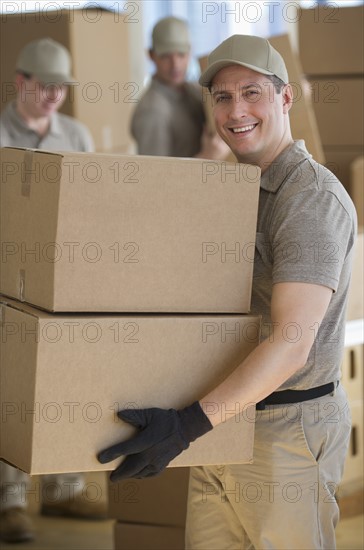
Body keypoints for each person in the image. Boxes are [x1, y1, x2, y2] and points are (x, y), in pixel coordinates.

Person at [98, 34, 357, 549]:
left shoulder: (308, 198)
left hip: (286, 430)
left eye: (252, 93)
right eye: (222, 97)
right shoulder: (230, 191)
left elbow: (291, 342)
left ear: (285, 98)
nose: (236, 110)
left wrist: (187, 425)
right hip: (224, 420)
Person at [0, 38, 106, 544]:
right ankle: (8, 501)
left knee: (67, 382)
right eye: (44, 87)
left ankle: (64, 488)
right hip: (5, 279)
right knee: (11, 388)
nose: (53, 97)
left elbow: (94, 203)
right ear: (20, 81)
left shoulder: (76, 135)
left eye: (61, 89)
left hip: (66, 279)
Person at [130, 16, 229, 160]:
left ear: (190, 52)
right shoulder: (152, 112)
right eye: (166, 56)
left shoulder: (194, 91)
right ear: (151, 55)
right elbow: (155, 178)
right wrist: (208, 157)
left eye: (181, 54)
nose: (175, 65)